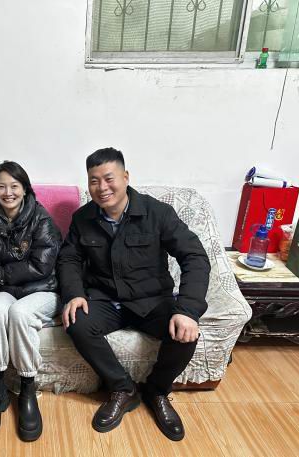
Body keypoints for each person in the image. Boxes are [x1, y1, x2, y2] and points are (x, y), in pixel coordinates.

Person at [57, 148, 210, 441]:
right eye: (93, 181)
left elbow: (194, 257)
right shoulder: (83, 218)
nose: (102, 188)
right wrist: (74, 293)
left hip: (151, 300)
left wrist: (188, 310)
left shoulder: (158, 213)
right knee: (76, 321)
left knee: (185, 334)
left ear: (126, 177)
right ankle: (123, 388)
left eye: (109, 178)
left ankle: (157, 391)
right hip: (105, 299)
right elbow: (69, 259)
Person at [0, 161, 62, 442]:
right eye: (1, 187)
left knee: (20, 313)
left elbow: (43, 266)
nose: (8, 192)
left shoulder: (41, 219)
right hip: (10, 288)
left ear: (25, 189)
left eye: (14, 186)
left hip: (44, 288)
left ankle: (27, 389)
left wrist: (0, 274)